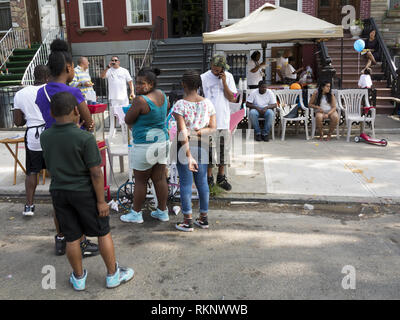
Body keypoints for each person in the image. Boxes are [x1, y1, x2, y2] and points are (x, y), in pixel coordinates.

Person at [40, 91, 134, 291]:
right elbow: (96, 174)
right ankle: (112, 275)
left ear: (51, 112)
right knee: (102, 231)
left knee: (72, 237)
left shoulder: (45, 136)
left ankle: (79, 277)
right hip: (84, 192)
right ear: (76, 110)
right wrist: (101, 201)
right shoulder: (84, 138)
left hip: (59, 192)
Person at [35, 39, 97, 257]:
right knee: (78, 195)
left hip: (51, 145)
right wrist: (87, 127)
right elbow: (89, 121)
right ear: (69, 68)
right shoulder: (72, 92)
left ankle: (61, 238)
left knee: (58, 196)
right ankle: (80, 241)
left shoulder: (40, 92)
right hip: (74, 147)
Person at [120, 68, 170, 224]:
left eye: (142, 83)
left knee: (141, 181)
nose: (138, 86)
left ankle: (136, 213)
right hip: (162, 142)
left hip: (144, 145)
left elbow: (128, 119)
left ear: (151, 84)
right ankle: (162, 211)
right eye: (137, 82)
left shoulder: (140, 101)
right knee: (160, 178)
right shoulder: (161, 94)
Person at [173, 70, 216, 232]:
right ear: (199, 85)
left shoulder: (180, 105)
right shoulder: (208, 104)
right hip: (203, 145)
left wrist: (189, 155)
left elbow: (183, 132)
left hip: (185, 147)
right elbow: (213, 128)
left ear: (183, 84)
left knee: (185, 183)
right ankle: (203, 219)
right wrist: (198, 132)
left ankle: (187, 221)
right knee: (202, 182)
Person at [13, 65, 49, 217]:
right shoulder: (51, 89)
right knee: (57, 169)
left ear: (34, 76)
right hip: (51, 132)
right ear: (48, 77)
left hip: (33, 135)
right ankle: (60, 204)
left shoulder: (20, 94)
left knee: (32, 170)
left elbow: (18, 122)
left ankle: (29, 206)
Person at [201, 54, 237, 191]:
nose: (217, 72)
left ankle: (221, 177)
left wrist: (224, 82)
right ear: (211, 66)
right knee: (208, 151)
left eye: (219, 70)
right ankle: (209, 178)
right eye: (215, 70)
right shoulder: (203, 77)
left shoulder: (229, 77)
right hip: (207, 121)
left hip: (223, 119)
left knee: (223, 150)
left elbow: (232, 98)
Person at [100, 56, 135, 138]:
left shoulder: (124, 71)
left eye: (115, 60)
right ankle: (113, 131)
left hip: (123, 97)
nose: (114, 61)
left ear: (119, 62)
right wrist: (108, 67)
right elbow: (102, 76)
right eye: (112, 60)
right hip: (113, 97)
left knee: (125, 115)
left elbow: (130, 82)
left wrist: (132, 92)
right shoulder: (109, 71)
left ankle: (127, 131)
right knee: (114, 115)